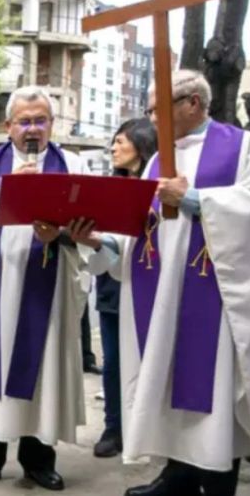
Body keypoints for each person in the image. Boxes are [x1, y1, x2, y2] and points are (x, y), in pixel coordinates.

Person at [78, 70, 250, 496]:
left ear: (192, 103)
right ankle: (176, 478)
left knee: (211, 392)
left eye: (158, 109)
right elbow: (137, 233)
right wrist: (97, 240)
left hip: (215, 298)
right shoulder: (157, 160)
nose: (151, 119)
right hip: (160, 296)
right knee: (166, 381)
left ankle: (217, 483)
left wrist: (194, 199)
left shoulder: (242, 148)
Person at [0, 86, 92, 491]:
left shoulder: (74, 165)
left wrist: (63, 234)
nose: (33, 129)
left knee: (43, 370)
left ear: (51, 124)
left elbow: (92, 228)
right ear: (8, 126)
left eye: (40, 120)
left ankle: (38, 461)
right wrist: (5, 192)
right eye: (25, 121)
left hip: (48, 289)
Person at [92, 118, 157, 459]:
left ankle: (145, 427)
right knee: (114, 361)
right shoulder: (110, 188)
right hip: (112, 287)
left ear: (142, 145)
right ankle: (113, 427)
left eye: (121, 141)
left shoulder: (158, 188)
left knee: (149, 359)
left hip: (149, 283)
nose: (114, 148)